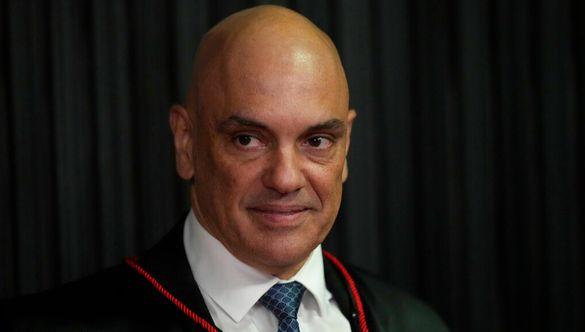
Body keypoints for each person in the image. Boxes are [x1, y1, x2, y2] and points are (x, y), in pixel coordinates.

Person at [1, 5, 448, 332]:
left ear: (345, 148)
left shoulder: (414, 324)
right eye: (248, 139)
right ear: (187, 142)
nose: (286, 179)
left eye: (316, 141)